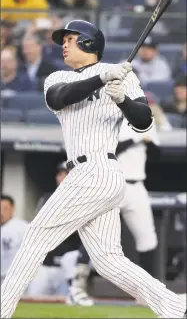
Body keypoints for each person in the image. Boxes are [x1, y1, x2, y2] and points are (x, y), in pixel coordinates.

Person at [1, 20, 186, 319]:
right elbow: (58, 97)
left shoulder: (122, 76)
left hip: (100, 169)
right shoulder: (59, 76)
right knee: (108, 259)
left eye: (71, 39)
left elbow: (144, 122)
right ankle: (177, 309)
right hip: (83, 172)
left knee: (35, 235)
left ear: (89, 43)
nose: (64, 44)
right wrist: (102, 78)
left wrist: (122, 99)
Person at [28, 161, 93, 305]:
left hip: (68, 265)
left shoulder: (84, 201)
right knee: (32, 301)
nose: (63, 177)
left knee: (68, 304)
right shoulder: (47, 198)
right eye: (60, 174)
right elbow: (40, 227)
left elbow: (80, 230)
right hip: (45, 264)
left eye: (67, 174)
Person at [116, 122, 159, 278]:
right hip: (114, 184)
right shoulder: (111, 119)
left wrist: (149, 142)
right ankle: (78, 284)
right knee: (98, 236)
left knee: (148, 239)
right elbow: (111, 150)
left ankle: (151, 291)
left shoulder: (146, 122)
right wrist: (136, 138)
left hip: (138, 186)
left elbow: (156, 156)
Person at [1, 194, 28, 284]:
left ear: (12, 208)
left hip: (16, 279)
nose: (1, 212)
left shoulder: (23, 227)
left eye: (5, 208)